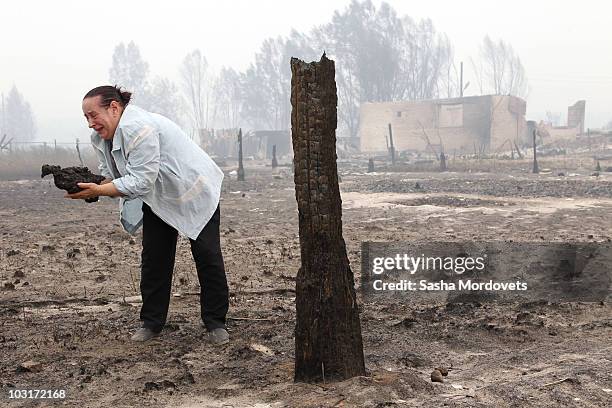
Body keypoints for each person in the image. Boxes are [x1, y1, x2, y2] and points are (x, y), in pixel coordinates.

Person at [67, 85, 229, 345]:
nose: (90, 123)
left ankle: (216, 322)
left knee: (207, 256)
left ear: (114, 108)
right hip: (159, 197)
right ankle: (152, 323)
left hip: (193, 191)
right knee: (155, 258)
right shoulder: (100, 137)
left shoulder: (138, 128)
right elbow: (113, 175)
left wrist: (101, 189)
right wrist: (90, 185)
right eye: (86, 117)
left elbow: (141, 181)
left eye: (93, 115)